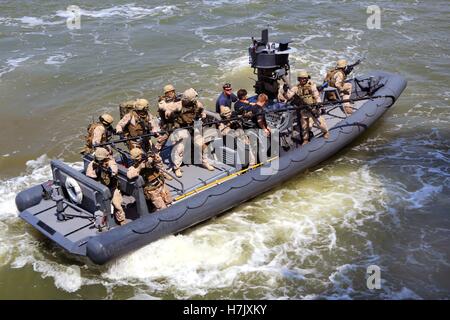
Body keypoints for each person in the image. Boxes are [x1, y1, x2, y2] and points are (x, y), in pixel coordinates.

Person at [170, 88, 214, 177]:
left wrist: (202, 115)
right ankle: (177, 168)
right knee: (179, 149)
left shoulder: (196, 104)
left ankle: (204, 162)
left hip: (191, 126)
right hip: (180, 128)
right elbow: (168, 114)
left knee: (203, 145)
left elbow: (201, 110)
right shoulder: (178, 105)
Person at [281, 70, 330, 145]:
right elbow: (288, 97)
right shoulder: (296, 88)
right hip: (303, 110)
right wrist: (284, 91)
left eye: (304, 78)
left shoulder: (311, 86)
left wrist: (319, 104)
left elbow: (316, 96)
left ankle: (325, 132)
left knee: (320, 123)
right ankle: (305, 139)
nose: (303, 80)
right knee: (304, 127)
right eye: (301, 78)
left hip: (313, 108)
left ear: (307, 78)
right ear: (298, 79)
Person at [86, 147, 127, 227]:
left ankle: (121, 220)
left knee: (117, 205)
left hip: (112, 187)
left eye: (102, 160)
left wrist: (111, 171)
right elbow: (89, 174)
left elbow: (114, 169)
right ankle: (103, 221)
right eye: (99, 160)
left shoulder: (110, 162)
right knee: (101, 206)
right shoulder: (94, 163)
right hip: (101, 187)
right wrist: (97, 170)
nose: (101, 161)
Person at [156, 84, 182, 152]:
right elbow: (166, 107)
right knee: (162, 140)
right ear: (166, 93)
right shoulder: (162, 102)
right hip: (168, 124)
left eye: (172, 91)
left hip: (177, 121)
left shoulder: (177, 98)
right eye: (169, 92)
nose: (171, 93)